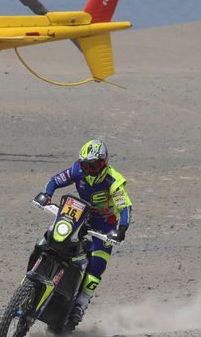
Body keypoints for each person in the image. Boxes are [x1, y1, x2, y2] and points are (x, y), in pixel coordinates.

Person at [33, 139, 132, 325]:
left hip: (104, 226)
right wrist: (47, 194)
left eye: (94, 165)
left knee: (98, 263)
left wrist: (121, 230)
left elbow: (125, 207)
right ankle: (37, 270)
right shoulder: (77, 170)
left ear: (104, 163)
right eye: (86, 165)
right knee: (52, 235)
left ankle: (81, 303)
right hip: (79, 215)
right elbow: (56, 180)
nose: (89, 169)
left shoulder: (114, 181)